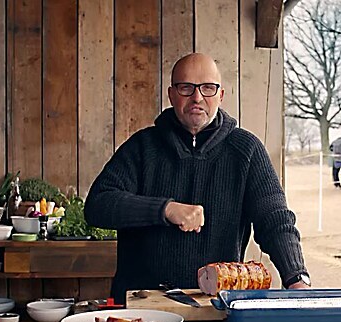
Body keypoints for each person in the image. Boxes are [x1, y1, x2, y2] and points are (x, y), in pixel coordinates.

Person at [85, 53, 310, 305]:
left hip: (217, 304)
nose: (197, 97)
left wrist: (296, 276)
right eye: (186, 88)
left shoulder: (246, 150)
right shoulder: (141, 146)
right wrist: (164, 209)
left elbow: (275, 220)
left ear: (221, 95)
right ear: (171, 95)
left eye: (207, 88)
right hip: (142, 302)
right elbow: (98, 205)